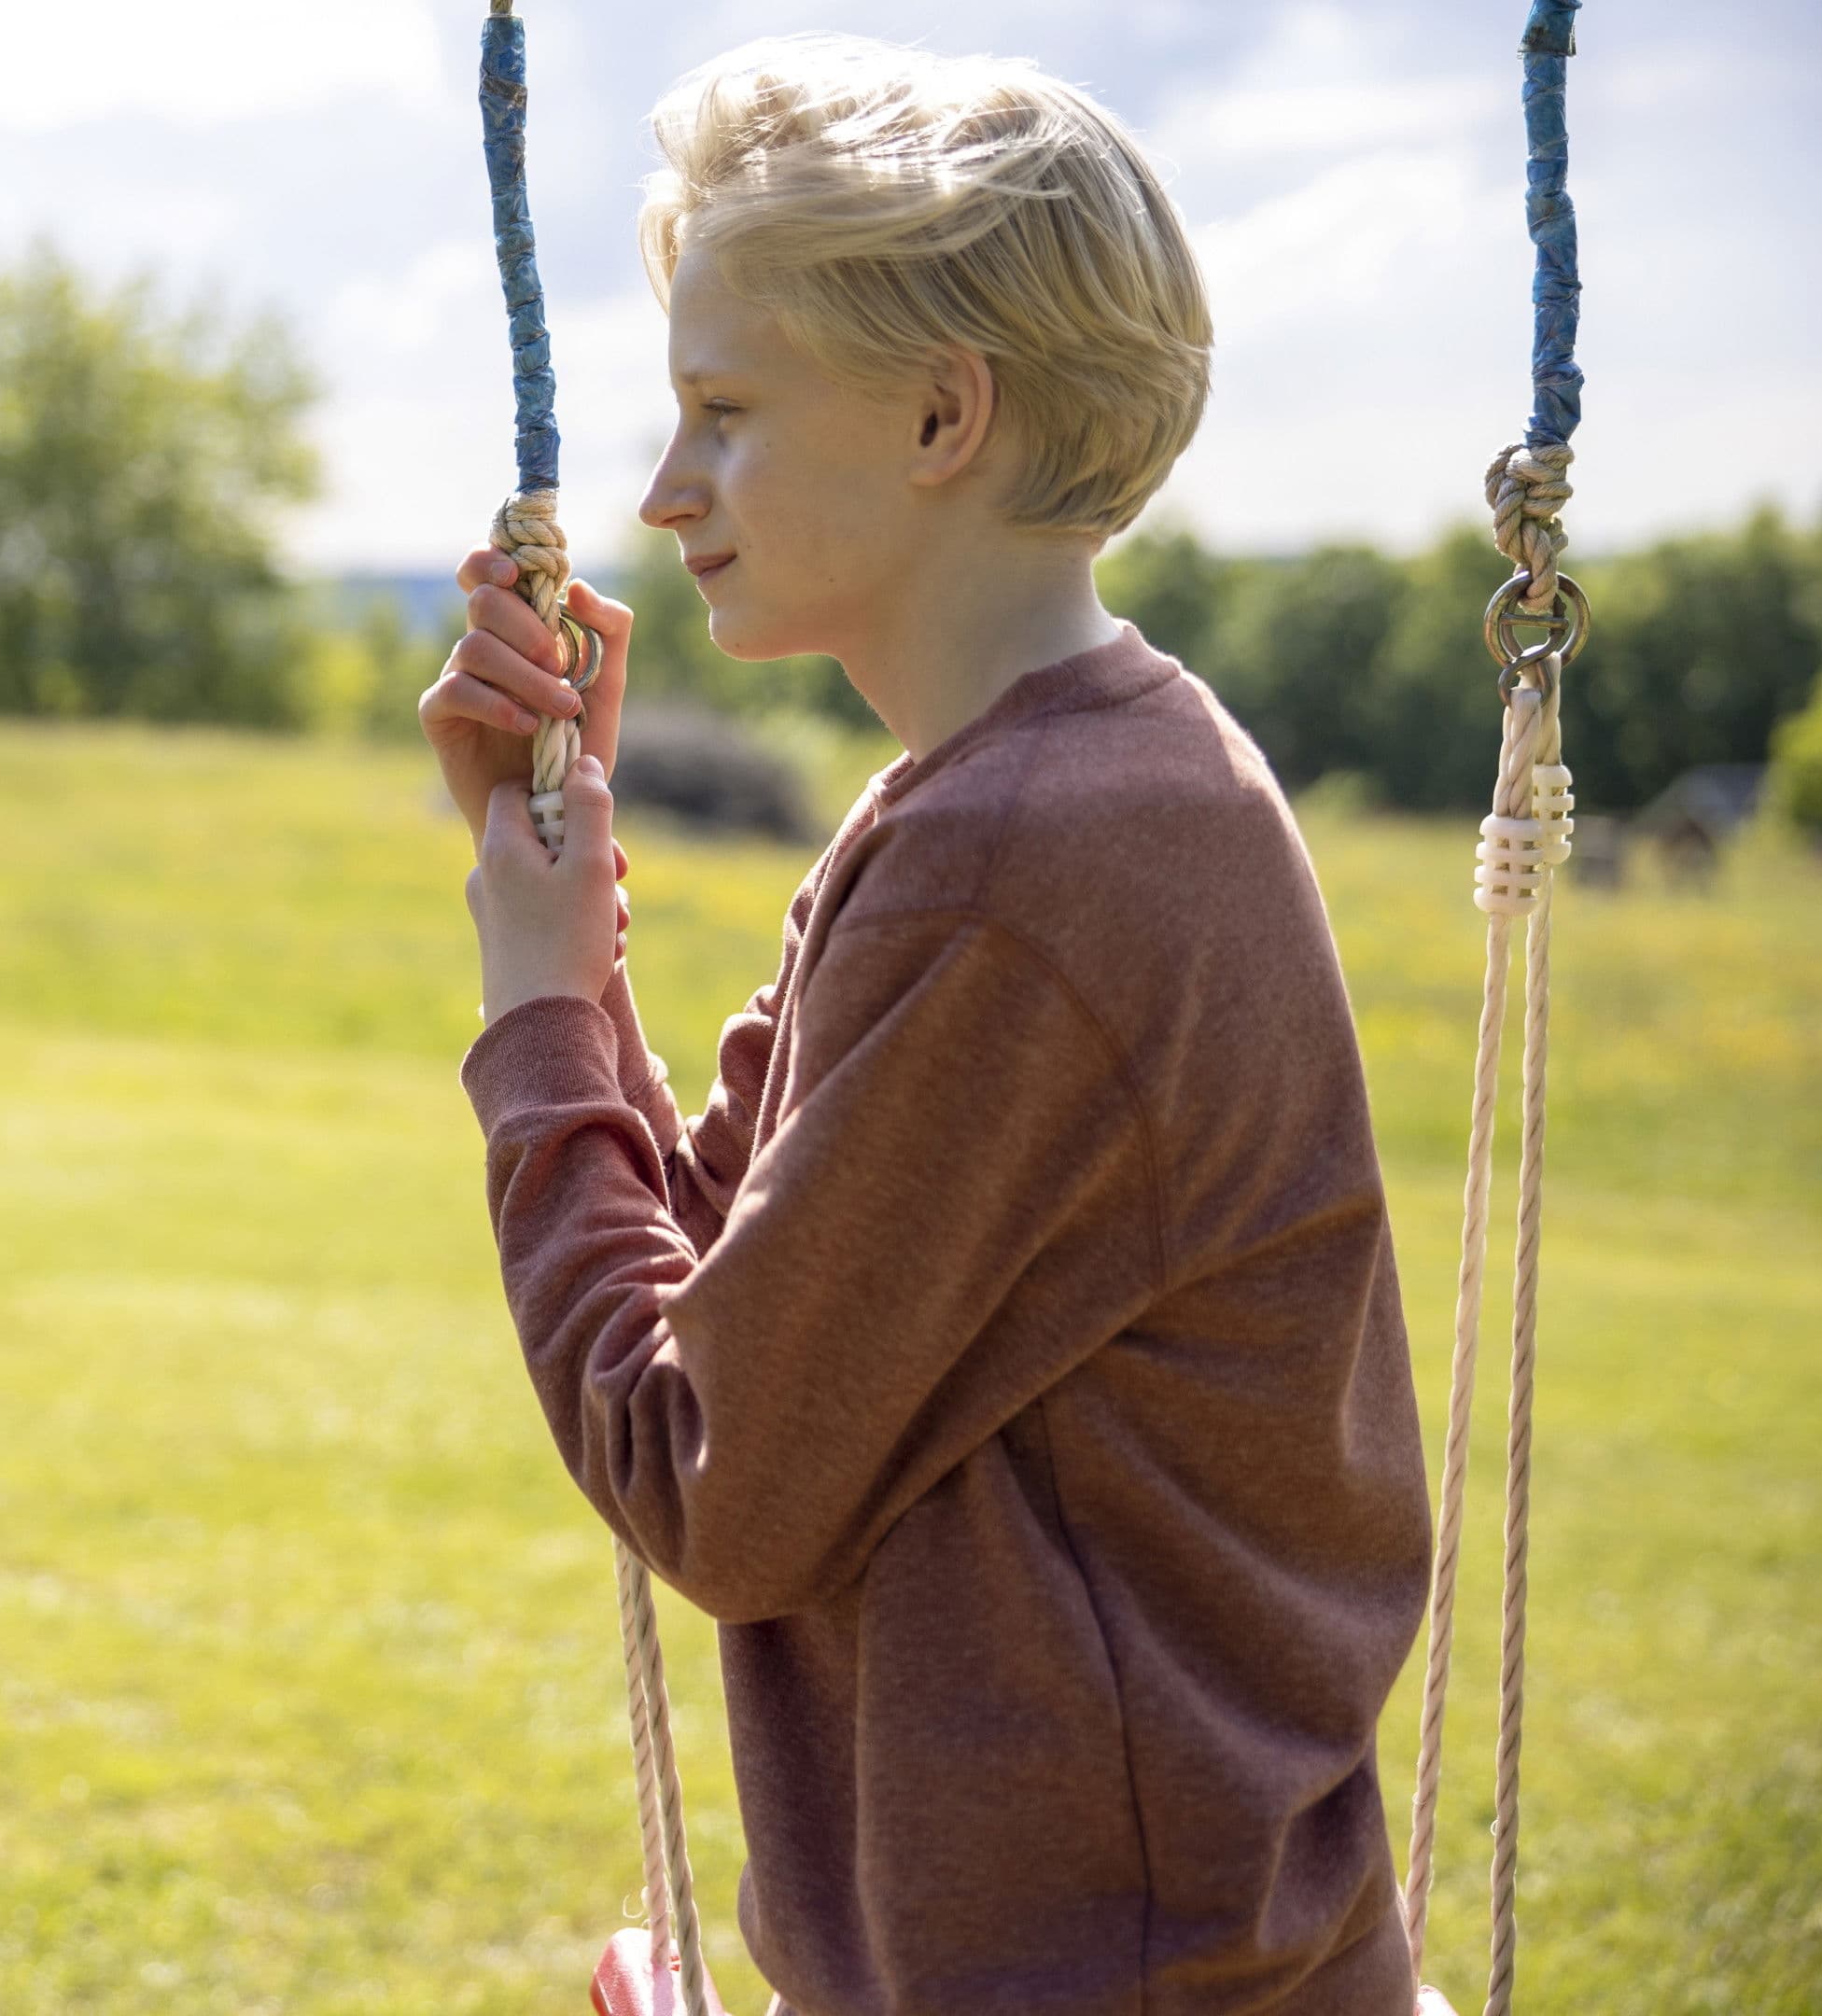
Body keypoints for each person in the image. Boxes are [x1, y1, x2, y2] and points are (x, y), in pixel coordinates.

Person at [426, 36, 1432, 2015]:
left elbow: (706, 1473)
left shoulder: (1026, 857)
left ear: (941, 416)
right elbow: (729, 1288)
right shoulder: (1023, 796)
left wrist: (537, 1006)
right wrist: (579, 920)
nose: (663, 485)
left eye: (724, 411)